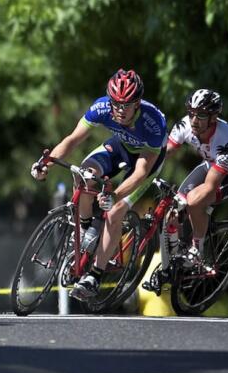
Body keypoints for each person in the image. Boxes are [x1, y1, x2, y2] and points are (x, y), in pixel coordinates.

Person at [32, 68, 168, 300]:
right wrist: (47, 162)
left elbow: (140, 173)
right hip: (121, 147)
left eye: (126, 105)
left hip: (146, 162)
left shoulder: (153, 122)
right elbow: (72, 139)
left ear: (137, 103)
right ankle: (87, 229)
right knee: (84, 174)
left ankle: (94, 276)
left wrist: (114, 196)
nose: (120, 110)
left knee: (115, 212)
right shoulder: (102, 107)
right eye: (116, 104)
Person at [141, 88, 228, 295]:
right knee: (171, 213)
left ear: (213, 117)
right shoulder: (186, 124)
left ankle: (197, 250)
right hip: (210, 164)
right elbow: (162, 152)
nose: (194, 120)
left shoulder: (225, 140)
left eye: (201, 115)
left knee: (194, 202)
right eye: (192, 113)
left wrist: (187, 201)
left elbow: (211, 185)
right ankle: (167, 270)